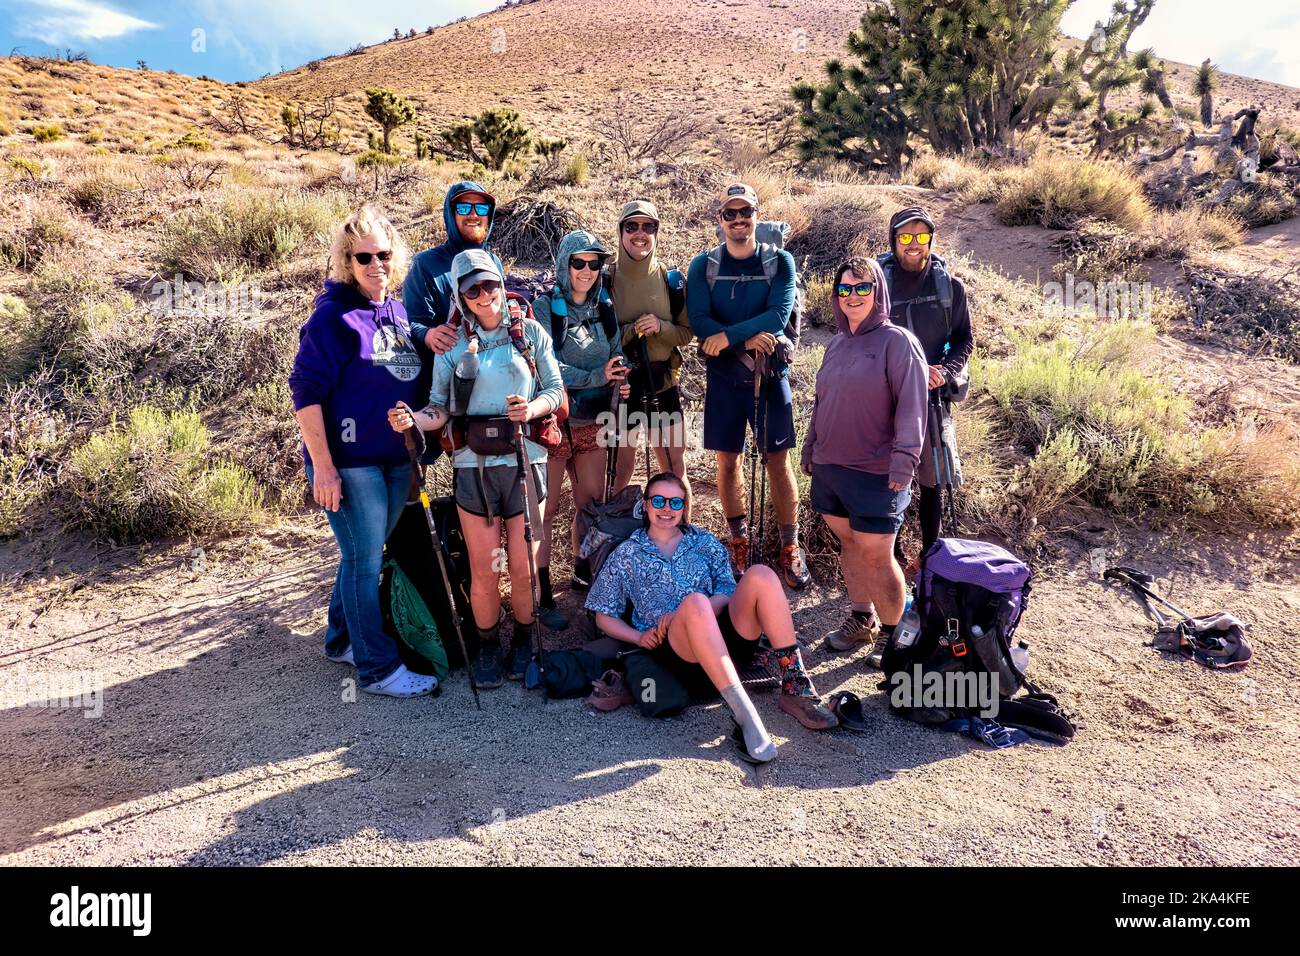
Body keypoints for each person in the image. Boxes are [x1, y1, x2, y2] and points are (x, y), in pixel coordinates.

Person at [388, 248, 564, 689]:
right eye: (472, 290)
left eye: (490, 285)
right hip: (473, 467)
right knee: (485, 568)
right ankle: (487, 645)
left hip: (525, 461)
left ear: (502, 284)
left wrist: (533, 408)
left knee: (523, 566)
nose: (484, 296)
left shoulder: (531, 334)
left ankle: (525, 639)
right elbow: (439, 409)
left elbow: (556, 391)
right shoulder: (451, 347)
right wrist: (415, 420)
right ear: (460, 296)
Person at [585, 473, 836, 765]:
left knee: (761, 576)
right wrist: (639, 636)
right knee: (695, 602)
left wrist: (696, 609)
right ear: (645, 506)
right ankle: (744, 714)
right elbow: (603, 615)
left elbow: (728, 591)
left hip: (725, 644)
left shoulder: (703, 542)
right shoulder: (627, 553)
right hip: (677, 655)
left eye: (675, 502)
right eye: (659, 501)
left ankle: (795, 686)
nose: (667, 508)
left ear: (684, 507)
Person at [289, 204, 437, 698]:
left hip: (397, 457)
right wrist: (323, 468)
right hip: (352, 463)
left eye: (383, 255)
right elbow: (305, 392)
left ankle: (340, 639)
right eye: (363, 257)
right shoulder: (332, 317)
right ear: (346, 262)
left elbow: (402, 348)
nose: (375, 264)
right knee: (363, 559)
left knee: (363, 552)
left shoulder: (392, 309)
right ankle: (376, 669)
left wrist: (426, 334)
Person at [802, 256, 927, 668]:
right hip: (831, 468)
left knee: (877, 554)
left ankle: (898, 642)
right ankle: (861, 618)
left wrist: (904, 463)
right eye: (845, 289)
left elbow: (913, 408)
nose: (852, 296)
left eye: (862, 288)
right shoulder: (836, 343)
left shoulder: (897, 342)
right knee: (850, 544)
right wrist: (810, 448)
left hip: (877, 474)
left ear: (878, 292)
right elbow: (822, 402)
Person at [687, 183, 810, 590]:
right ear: (719, 219)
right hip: (724, 380)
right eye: (730, 214)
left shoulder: (781, 262)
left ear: (757, 215)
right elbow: (700, 323)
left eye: (746, 212)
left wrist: (729, 337)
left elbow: (778, 315)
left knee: (778, 460)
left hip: (769, 377)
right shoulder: (702, 266)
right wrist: (743, 339)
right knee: (728, 461)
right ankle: (738, 539)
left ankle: (790, 547)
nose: (739, 220)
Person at [533, 230, 630, 627]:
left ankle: (582, 572)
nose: (588, 271)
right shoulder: (544, 308)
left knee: (589, 505)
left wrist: (620, 373)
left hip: (591, 421)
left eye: (595, 264)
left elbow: (617, 348)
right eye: (579, 263)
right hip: (553, 423)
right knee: (547, 509)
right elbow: (546, 365)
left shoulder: (604, 306)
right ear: (564, 264)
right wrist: (596, 375)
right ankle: (540, 590)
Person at [880, 206, 973, 570]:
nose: (914, 244)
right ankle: (893, 554)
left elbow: (965, 339)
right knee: (891, 475)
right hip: (887, 393)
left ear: (931, 240)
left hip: (933, 394)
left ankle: (931, 556)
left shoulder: (949, 287)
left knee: (932, 481)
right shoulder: (879, 284)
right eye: (906, 237)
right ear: (894, 240)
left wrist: (946, 371)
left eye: (921, 237)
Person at [606, 200, 693, 486]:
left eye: (648, 227)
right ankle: (614, 529)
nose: (640, 233)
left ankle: (679, 528)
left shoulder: (672, 280)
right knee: (618, 470)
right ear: (620, 231)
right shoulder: (603, 279)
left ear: (657, 232)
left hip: (663, 383)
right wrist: (630, 331)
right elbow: (597, 340)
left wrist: (660, 327)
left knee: (674, 469)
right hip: (621, 387)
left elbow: (686, 334)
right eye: (632, 226)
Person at [403, 180, 501, 356]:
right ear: (450, 214)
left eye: (481, 208)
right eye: (463, 208)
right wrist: (429, 334)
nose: (473, 215)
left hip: (493, 364)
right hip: (447, 369)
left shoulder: (493, 262)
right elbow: (409, 322)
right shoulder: (424, 265)